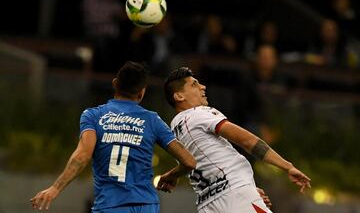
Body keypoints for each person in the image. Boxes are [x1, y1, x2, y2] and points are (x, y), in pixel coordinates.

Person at [30, 61, 196, 212]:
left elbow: (82, 155)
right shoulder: (152, 120)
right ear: (142, 93)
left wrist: (55, 188)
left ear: (115, 84)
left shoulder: (93, 116)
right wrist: (171, 176)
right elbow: (189, 162)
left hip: (110, 205)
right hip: (146, 205)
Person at [158, 67, 311, 213]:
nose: (203, 87)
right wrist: (288, 166)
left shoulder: (175, 130)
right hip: (235, 194)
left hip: (208, 205)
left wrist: (248, 188)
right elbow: (248, 141)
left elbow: (199, 164)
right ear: (179, 96)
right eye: (194, 84)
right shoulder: (199, 113)